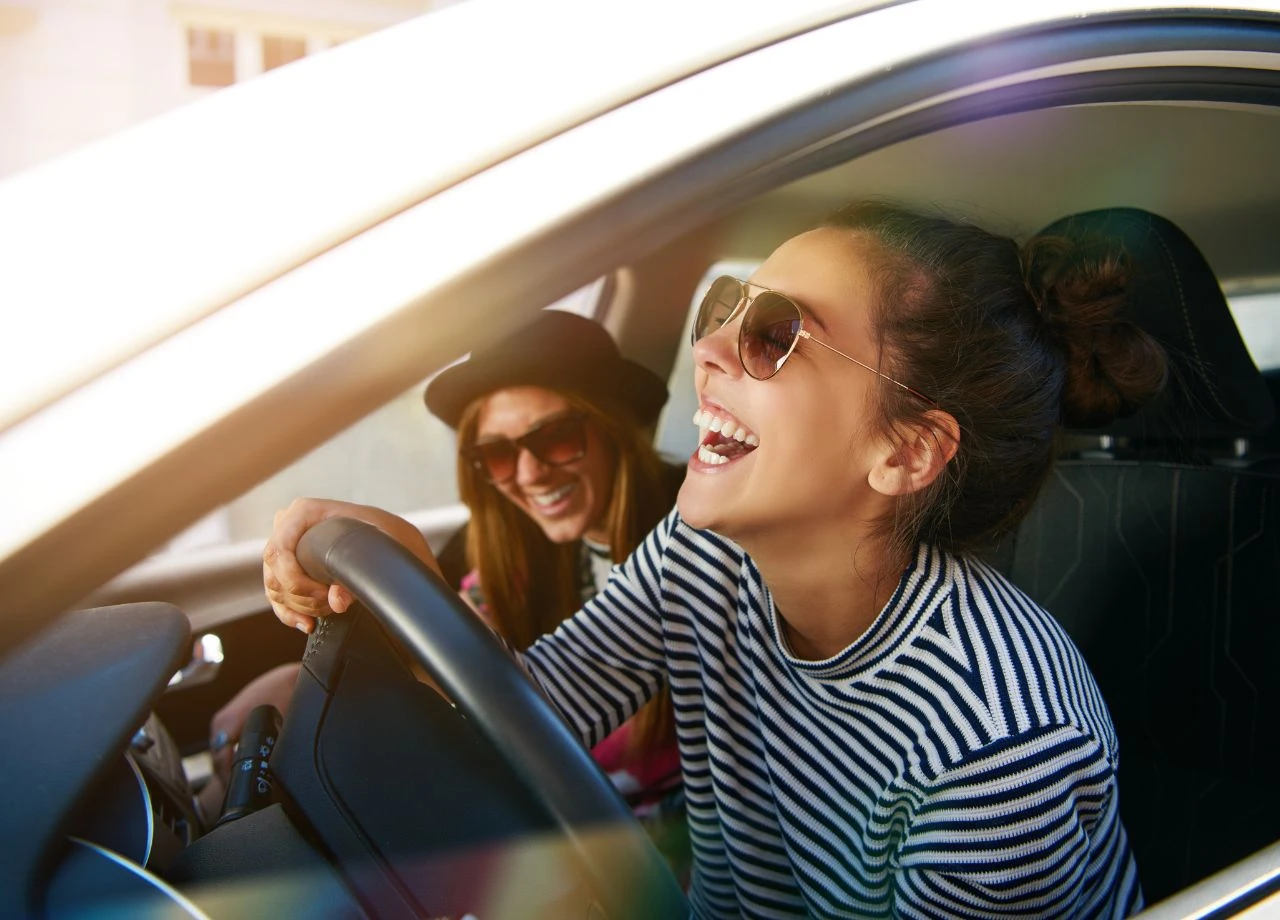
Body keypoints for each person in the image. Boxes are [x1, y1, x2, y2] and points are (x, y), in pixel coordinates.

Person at [263, 201, 1166, 918]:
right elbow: (530, 714)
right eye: (725, 308)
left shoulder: (999, 747)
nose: (705, 349)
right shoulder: (705, 558)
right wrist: (408, 584)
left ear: (905, 452)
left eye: (775, 334)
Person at [211, 312, 687, 865]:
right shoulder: (515, 544)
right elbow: (476, 681)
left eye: (556, 438)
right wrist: (299, 680)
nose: (528, 474)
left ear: (614, 427)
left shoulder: (689, 542)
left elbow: (540, 706)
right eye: (498, 454)